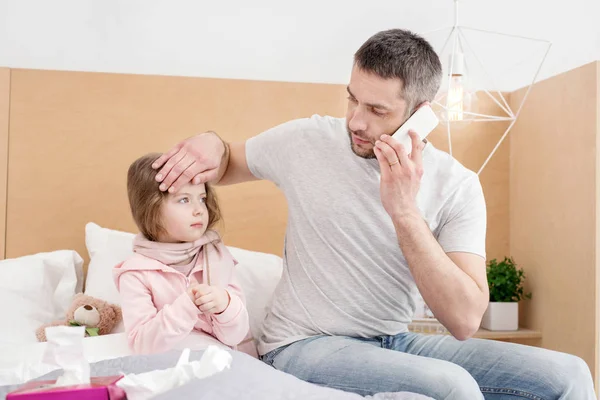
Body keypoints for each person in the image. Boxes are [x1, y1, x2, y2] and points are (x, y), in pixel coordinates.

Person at [151, 30, 596, 399]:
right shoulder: (309, 141)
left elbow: (464, 319)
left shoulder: (457, 186)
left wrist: (404, 211)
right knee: (452, 387)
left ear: (420, 116)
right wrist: (211, 140)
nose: (356, 122)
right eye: (352, 100)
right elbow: (228, 158)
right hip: (302, 344)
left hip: (393, 340)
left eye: (377, 110)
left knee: (571, 376)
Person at [113, 153, 250, 355]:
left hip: (221, 362)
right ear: (150, 208)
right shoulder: (135, 273)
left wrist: (225, 305)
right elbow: (142, 344)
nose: (199, 210)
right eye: (184, 200)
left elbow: (236, 336)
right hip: (169, 369)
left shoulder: (216, 255)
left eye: (202, 199)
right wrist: (185, 307)